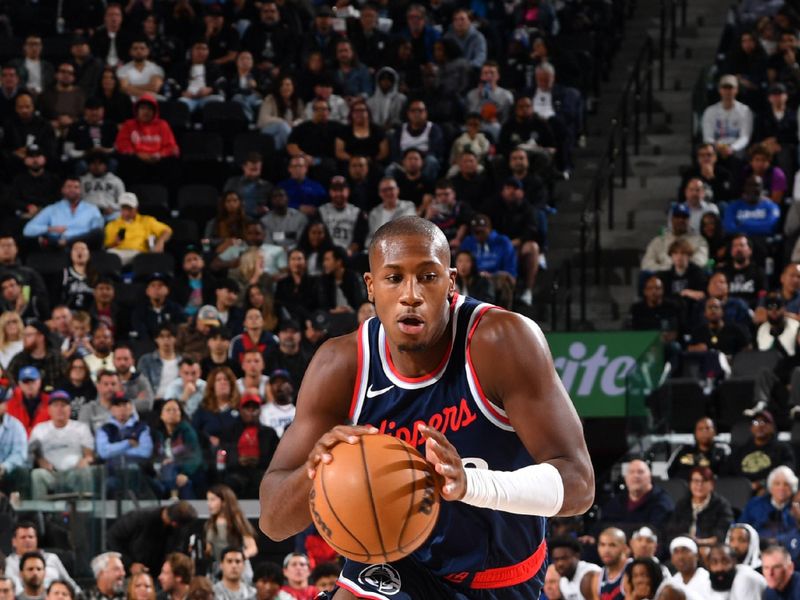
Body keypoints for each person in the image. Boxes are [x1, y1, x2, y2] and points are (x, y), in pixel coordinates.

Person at [260, 216, 595, 598]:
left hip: (501, 577)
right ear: (371, 287)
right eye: (393, 278)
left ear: (451, 282)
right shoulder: (340, 366)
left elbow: (580, 485)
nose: (411, 294)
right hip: (397, 561)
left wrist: (471, 485)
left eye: (428, 277)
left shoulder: (503, 342)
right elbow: (272, 520)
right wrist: (313, 472)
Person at [28, 390, 94, 499]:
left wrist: (85, 461)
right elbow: (32, 452)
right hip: (50, 473)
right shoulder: (40, 429)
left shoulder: (81, 428)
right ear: (49, 410)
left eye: (63, 405)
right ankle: (40, 513)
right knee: (37, 475)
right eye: (55, 405)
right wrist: (40, 461)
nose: (60, 409)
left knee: (85, 471)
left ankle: (85, 511)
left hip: (74, 472)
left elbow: (89, 455)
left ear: (70, 409)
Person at [107, 502, 198, 576]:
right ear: (175, 524)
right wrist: (130, 564)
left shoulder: (180, 528)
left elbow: (177, 549)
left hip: (161, 575)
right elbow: (112, 537)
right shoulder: (139, 517)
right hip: (131, 574)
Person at [220, 393, 279, 498]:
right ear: (241, 410)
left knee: (267, 482)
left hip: (261, 471)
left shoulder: (269, 433)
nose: (251, 412)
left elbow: (276, 458)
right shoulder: (230, 431)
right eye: (247, 408)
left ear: (260, 411)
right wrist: (238, 461)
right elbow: (223, 453)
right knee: (228, 482)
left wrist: (259, 461)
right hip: (236, 472)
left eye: (255, 408)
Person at [22, 176, 104, 248]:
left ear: (81, 191)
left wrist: (71, 240)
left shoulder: (92, 209)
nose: (72, 189)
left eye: (76, 187)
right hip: (58, 248)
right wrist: (50, 229)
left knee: (98, 233)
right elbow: (28, 230)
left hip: (83, 246)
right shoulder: (52, 209)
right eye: (69, 187)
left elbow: (96, 233)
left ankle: (66, 243)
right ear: (62, 190)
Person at [600, 459, 675, 535]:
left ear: (650, 476)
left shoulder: (662, 502)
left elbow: (654, 530)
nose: (636, 476)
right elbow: (602, 525)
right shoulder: (617, 501)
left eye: (640, 472)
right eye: (631, 472)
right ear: (625, 478)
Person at [726, 409, 795, 491]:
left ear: (772, 427)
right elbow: (726, 474)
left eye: (764, 422)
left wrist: (763, 484)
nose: (759, 426)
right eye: (755, 422)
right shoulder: (739, 451)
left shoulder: (783, 449)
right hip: (741, 492)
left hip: (771, 491)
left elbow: (787, 472)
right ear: (751, 428)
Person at [5, 523, 81, 595]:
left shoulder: (52, 558)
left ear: (36, 539)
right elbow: (15, 589)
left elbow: (68, 581)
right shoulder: (9, 563)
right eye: (23, 537)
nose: (27, 540)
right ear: (14, 542)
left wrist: (80, 595)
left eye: (31, 537)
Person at [104, 192, 172, 266]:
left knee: (145, 258)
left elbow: (167, 231)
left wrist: (160, 241)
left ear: (136, 208)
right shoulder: (112, 224)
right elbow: (107, 246)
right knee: (109, 255)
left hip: (140, 254)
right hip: (119, 252)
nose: (127, 212)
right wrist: (115, 242)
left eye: (129, 208)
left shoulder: (147, 221)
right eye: (124, 208)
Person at [205, 484, 258, 576]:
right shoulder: (210, 523)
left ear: (224, 501)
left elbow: (252, 548)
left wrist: (238, 558)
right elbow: (209, 550)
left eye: (213, 499)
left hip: (238, 568)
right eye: (208, 500)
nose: (208, 503)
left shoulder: (237, 521)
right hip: (218, 568)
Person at [641, 205, 709, 273]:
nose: (680, 220)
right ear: (672, 219)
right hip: (663, 277)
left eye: (684, 217)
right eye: (677, 217)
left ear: (688, 220)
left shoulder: (699, 240)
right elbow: (646, 264)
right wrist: (668, 270)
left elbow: (700, 261)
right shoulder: (659, 241)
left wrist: (680, 268)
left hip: (688, 277)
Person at [701, 75, 753, 162]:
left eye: (731, 88)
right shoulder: (710, 111)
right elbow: (707, 136)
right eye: (725, 88)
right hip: (716, 150)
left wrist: (731, 148)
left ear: (736, 90)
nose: (728, 91)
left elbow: (745, 137)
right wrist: (718, 146)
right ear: (720, 90)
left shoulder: (745, 111)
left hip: (736, 152)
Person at [741, 465, 798, 541]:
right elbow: (742, 526)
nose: (781, 488)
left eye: (786, 484)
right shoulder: (755, 504)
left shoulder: (796, 507)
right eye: (777, 483)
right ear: (770, 487)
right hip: (758, 543)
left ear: (792, 488)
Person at [131, 275, 185, 345]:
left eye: (160, 285)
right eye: (153, 286)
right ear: (147, 291)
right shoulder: (139, 311)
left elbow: (180, 329)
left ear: (167, 290)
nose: (156, 288)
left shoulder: (176, 309)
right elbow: (142, 332)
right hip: (147, 347)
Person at [223, 154, 275, 220]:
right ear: (244, 167)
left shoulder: (268, 186)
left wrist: (267, 209)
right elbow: (224, 203)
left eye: (257, 169)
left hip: (261, 220)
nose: (254, 173)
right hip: (237, 218)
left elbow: (273, 206)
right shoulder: (233, 183)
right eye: (252, 169)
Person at [7, 366, 50, 435]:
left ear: (40, 382)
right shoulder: (10, 404)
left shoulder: (50, 402)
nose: (30, 385)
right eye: (25, 381)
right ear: (19, 384)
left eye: (33, 381)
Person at [586, 528, 627, 600]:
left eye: (612, 545)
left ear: (624, 548)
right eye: (602, 545)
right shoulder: (597, 578)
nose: (606, 550)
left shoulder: (633, 571)